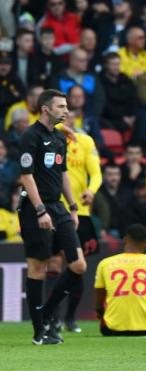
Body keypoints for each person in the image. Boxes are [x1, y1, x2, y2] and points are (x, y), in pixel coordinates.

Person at [18, 89, 87, 345]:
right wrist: (39, 210)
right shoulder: (30, 136)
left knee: (78, 264)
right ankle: (39, 331)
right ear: (46, 109)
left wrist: (72, 206)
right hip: (36, 209)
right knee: (38, 266)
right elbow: (27, 176)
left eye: (66, 106)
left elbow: (63, 173)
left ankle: (47, 313)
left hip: (59, 208)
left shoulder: (59, 138)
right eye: (61, 107)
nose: (66, 111)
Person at [46, 110, 102, 333]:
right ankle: (54, 318)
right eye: (62, 115)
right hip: (54, 209)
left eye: (70, 115)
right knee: (53, 264)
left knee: (77, 266)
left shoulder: (86, 141)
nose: (67, 119)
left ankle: (70, 318)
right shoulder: (48, 139)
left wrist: (91, 190)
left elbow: (96, 174)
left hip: (81, 212)